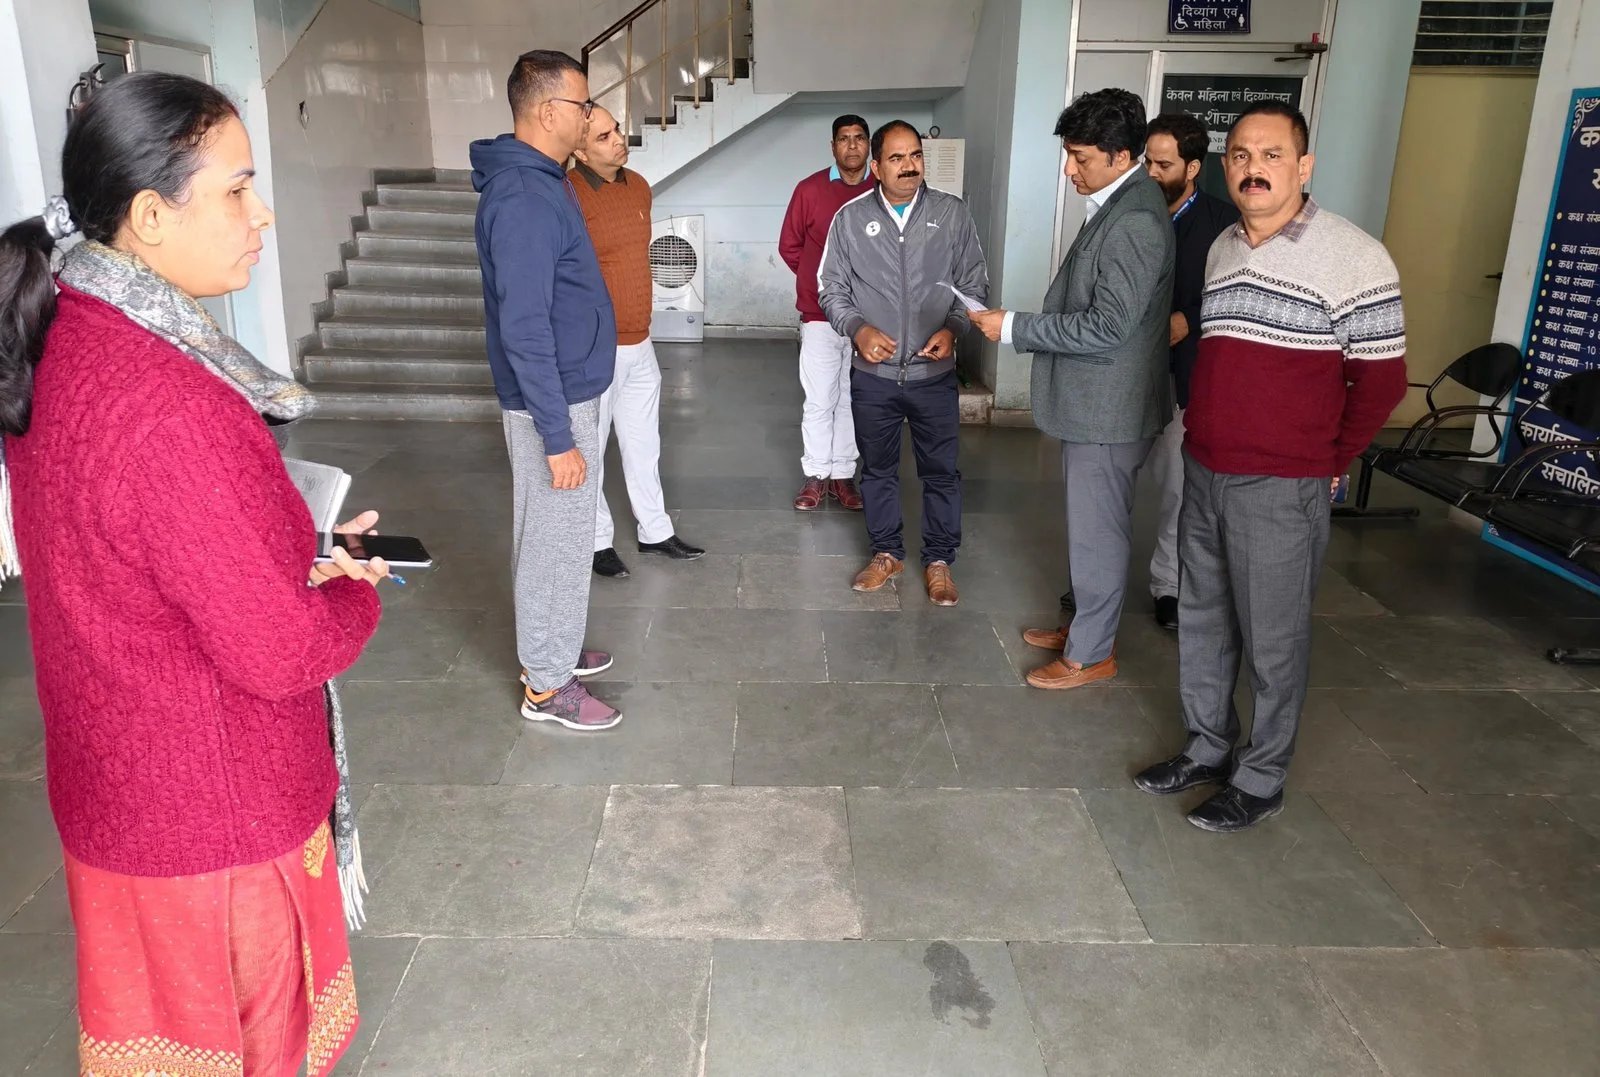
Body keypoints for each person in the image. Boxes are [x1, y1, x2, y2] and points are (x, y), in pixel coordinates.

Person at [0, 72, 387, 1076]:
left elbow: (138, 555)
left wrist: (282, 542)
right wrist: (350, 589)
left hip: (117, 785)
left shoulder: (63, 338)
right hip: (215, 819)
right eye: (237, 189)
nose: (263, 215)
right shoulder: (172, 401)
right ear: (149, 216)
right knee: (250, 1047)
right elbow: (279, 650)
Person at [1133, 102, 1407, 832]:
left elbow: (1381, 383)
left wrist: (1329, 459)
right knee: (1203, 621)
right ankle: (1207, 747)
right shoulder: (1222, 247)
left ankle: (1261, 778)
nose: (1253, 169)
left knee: (1273, 640)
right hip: (1206, 468)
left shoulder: (1355, 256)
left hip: (1283, 484)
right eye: (1241, 156)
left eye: (1272, 154)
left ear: (1304, 165)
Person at [973, 89, 1175, 689]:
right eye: (1069, 154)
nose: (1069, 169)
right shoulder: (1122, 203)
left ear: (1121, 156)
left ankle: (1091, 654)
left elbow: (1108, 327)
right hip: (1101, 403)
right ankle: (1086, 627)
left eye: (1080, 157)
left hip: (1108, 409)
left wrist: (1014, 327)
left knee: (1098, 535)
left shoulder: (1134, 220)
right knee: (1091, 529)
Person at [472, 50, 622, 732]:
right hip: (551, 402)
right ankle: (546, 683)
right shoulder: (525, 198)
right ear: (548, 111)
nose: (590, 117)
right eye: (583, 105)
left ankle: (554, 647)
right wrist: (556, 436)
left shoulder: (544, 181)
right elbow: (525, 325)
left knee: (562, 535)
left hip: (568, 389)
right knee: (552, 542)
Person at [819, 120, 989, 605]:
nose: (909, 165)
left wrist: (952, 328)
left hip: (933, 376)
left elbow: (973, 286)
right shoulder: (850, 219)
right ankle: (887, 553)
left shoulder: (951, 214)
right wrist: (857, 329)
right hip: (874, 377)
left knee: (941, 472)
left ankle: (939, 561)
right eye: (896, 158)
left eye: (915, 155)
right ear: (876, 166)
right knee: (877, 471)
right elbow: (830, 288)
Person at [570, 105, 704, 579]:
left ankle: (655, 531)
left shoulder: (640, 186)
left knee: (645, 444)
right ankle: (595, 541)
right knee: (591, 449)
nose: (619, 140)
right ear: (579, 149)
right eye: (604, 136)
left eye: (617, 130)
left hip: (641, 343)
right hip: (596, 346)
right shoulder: (569, 194)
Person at [1142, 112, 1240, 630]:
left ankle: (1169, 586)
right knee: (1107, 486)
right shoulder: (1132, 212)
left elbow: (1237, 294)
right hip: (1128, 374)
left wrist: (1191, 318)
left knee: (1179, 487)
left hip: (1186, 375)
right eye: (1147, 162)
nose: (1151, 173)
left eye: (1163, 165)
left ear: (1193, 167)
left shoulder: (1225, 224)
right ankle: (1092, 580)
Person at [780, 113, 875, 511]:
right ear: (833, 146)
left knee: (852, 398)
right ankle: (816, 474)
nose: (852, 145)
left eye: (859, 137)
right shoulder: (809, 190)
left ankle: (842, 475)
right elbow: (790, 246)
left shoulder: (881, 189)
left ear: (869, 144)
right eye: (844, 138)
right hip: (819, 315)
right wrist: (817, 282)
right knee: (819, 398)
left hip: (868, 319)